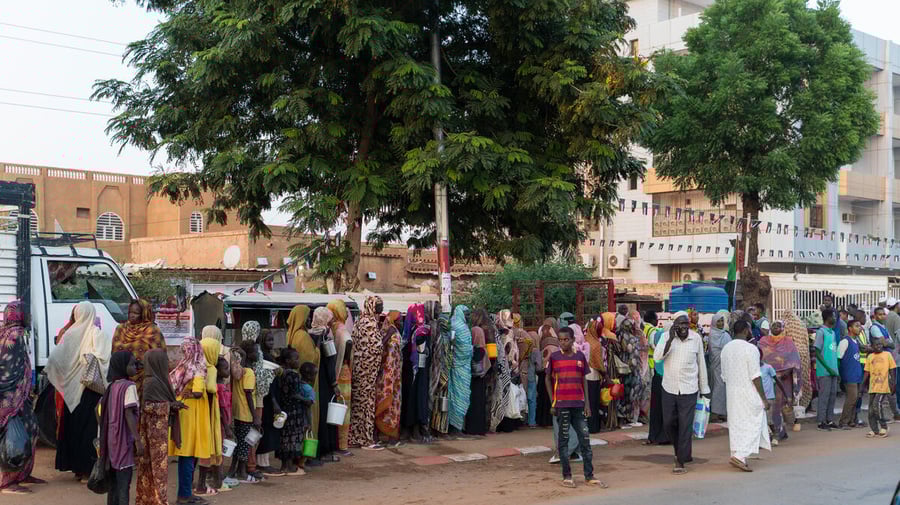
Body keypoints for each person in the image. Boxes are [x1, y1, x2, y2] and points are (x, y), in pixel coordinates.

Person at [47, 300, 112, 481]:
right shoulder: (97, 334)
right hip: (90, 390)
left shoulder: (68, 334)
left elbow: (56, 360)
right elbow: (104, 358)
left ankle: (76, 468)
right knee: (89, 429)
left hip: (71, 390)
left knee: (73, 428)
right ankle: (86, 469)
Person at [546, 327, 605, 489]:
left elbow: (583, 380)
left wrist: (587, 403)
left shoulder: (580, 357)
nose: (563, 342)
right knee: (563, 442)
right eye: (561, 339)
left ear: (573, 340)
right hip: (562, 405)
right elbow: (547, 378)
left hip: (578, 405)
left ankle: (589, 475)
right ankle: (567, 475)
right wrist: (553, 401)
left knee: (585, 440)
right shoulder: (554, 357)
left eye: (566, 339)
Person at [655, 311, 710, 475]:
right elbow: (658, 357)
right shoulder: (666, 337)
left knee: (686, 425)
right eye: (680, 325)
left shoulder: (696, 339)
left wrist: (704, 388)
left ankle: (680, 460)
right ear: (674, 326)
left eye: (686, 324)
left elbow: (701, 363)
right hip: (669, 387)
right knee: (669, 423)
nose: (684, 327)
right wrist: (670, 339)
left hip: (689, 389)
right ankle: (682, 451)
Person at [0, 301, 43, 495]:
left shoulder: (9, 332)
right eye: (27, 314)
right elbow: (8, 372)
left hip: (19, 396)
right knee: (14, 438)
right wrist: (15, 398)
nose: (30, 317)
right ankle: (8, 482)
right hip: (11, 398)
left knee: (32, 429)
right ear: (18, 315)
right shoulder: (14, 335)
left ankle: (23, 474)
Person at [720, 320, 771, 472]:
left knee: (736, 424)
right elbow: (756, 376)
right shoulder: (751, 349)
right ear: (745, 330)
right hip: (749, 392)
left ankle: (737, 454)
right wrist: (764, 399)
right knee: (753, 422)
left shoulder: (726, 349)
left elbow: (723, 376)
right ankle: (740, 456)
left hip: (732, 392)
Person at [169, 336, 212, 504]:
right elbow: (199, 392)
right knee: (188, 454)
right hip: (193, 412)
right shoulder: (198, 365)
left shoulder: (181, 365)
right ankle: (184, 495)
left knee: (185, 454)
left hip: (182, 410)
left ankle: (185, 492)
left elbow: (172, 386)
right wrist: (193, 392)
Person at [137, 349, 183, 505]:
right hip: (153, 432)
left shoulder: (159, 380)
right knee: (158, 468)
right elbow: (147, 407)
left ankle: (151, 499)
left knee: (154, 467)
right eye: (165, 360)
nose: (167, 362)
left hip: (159, 430)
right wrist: (170, 406)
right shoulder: (151, 382)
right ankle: (158, 500)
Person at [99, 351, 143, 505]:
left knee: (113, 486)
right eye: (131, 364)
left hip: (111, 441)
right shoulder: (129, 386)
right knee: (124, 485)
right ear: (122, 367)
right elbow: (129, 413)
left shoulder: (112, 386)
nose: (135, 368)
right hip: (124, 441)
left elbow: (97, 410)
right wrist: (137, 439)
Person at [112, 299, 167, 399]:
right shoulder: (120, 329)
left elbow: (160, 358)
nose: (131, 315)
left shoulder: (153, 330)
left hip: (145, 379)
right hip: (122, 380)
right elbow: (114, 354)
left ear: (144, 314)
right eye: (130, 312)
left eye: (136, 313)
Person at [349, 296, 384, 450]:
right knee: (365, 403)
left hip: (362, 371)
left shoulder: (360, 321)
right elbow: (373, 348)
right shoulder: (368, 324)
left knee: (359, 403)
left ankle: (355, 437)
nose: (381, 308)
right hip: (365, 371)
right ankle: (365, 439)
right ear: (371, 306)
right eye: (378, 305)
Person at [758, 320, 803, 441]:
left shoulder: (788, 341)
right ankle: (779, 430)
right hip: (767, 377)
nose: (776, 327)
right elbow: (759, 356)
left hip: (784, 379)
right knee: (772, 405)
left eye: (779, 326)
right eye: (774, 325)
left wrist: (784, 372)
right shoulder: (763, 341)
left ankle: (778, 431)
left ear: (783, 328)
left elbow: (794, 360)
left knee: (780, 404)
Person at [305, 307, 339, 464]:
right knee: (326, 415)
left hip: (312, 378)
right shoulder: (326, 335)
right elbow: (331, 361)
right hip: (325, 381)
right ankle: (325, 451)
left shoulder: (309, 334)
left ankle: (314, 451)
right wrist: (334, 383)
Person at [194, 332, 224, 495]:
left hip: (195, 413)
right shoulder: (210, 369)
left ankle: (193, 482)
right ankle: (202, 484)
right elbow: (211, 391)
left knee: (194, 451)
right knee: (207, 447)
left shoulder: (195, 366)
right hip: (208, 414)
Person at [276, 349, 313, 475]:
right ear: (288, 361)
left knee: (285, 437)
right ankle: (290, 467)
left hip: (284, 409)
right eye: (295, 358)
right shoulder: (294, 375)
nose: (298, 361)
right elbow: (295, 394)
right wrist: (306, 400)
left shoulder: (282, 374)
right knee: (292, 438)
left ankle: (284, 466)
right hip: (294, 411)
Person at [229, 340, 259, 482]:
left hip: (237, 412)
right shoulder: (249, 373)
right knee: (244, 444)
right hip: (246, 413)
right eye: (255, 351)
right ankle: (241, 473)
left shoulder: (238, 370)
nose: (258, 353)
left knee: (239, 443)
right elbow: (248, 393)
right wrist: (255, 416)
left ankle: (232, 472)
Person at [328, 299, 354, 455]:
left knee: (336, 409)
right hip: (344, 374)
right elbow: (348, 353)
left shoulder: (335, 331)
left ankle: (337, 443)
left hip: (336, 375)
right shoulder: (343, 331)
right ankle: (342, 444)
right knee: (343, 409)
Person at [375, 311, 404, 445]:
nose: (401, 323)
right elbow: (383, 351)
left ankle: (388, 436)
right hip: (387, 377)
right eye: (399, 320)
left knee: (391, 405)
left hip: (391, 376)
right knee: (385, 404)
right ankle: (383, 436)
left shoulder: (392, 333)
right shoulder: (389, 334)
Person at [644, 312, 669, 445]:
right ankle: (664, 436)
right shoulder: (669, 340)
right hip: (668, 379)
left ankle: (653, 436)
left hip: (656, 375)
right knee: (667, 409)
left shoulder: (656, 335)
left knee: (656, 409)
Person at [863, 336, 896, 438]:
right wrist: (861, 386)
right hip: (872, 387)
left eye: (880, 344)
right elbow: (867, 373)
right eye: (876, 345)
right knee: (871, 410)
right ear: (872, 346)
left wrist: (893, 383)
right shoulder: (870, 357)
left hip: (883, 386)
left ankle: (884, 426)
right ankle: (874, 429)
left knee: (877, 405)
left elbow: (892, 370)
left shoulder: (887, 355)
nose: (879, 346)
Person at [448, 305, 474, 433]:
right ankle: (455, 428)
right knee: (458, 396)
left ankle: (458, 427)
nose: (468, 316)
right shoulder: (459, 327)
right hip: (459, 367)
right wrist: (472, 350)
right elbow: (465, 349)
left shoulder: (457, 325)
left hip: (462, 367)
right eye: (466, 314)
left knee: (461, 396)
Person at [814, 308, 840, 431]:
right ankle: (821, 421)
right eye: (833, 316)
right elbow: (817, 352)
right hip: (824, 371)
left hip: (833, 370)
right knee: (824, 396)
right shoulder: (821, 332)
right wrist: (828, 368)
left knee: (832, 395)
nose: (835, 318)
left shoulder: (833, 332)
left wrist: (835, 369)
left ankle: (829, 420)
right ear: (827, 317)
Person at [465, 312, 491, 436]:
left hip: (474, 376)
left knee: (474, 401)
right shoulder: (483, 349)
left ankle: (472, 428)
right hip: (481, 375)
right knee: (480, 400)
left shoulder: (474, 349)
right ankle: (480, 428)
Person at [838, 319, 864, 429]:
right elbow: (839, 358)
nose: (860, 328)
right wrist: (840, 375)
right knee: (851, 399)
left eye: (860, 326)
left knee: (856, 398)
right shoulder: (845, 341)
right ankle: (843, 422)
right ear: (850, 328)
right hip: (849, 376)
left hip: (857, 375)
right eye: (857, 326)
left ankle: (852, 421)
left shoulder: (856, 341)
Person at [707, 310, 731, 422]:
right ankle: (715, 413)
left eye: (722, 321)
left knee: (721, 388)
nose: (721, 323)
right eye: (718, 321)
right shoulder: (713, 335)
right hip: (716, 365)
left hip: (723, 366)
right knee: (718, 388)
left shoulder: (723, 334)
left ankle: (721, 412)